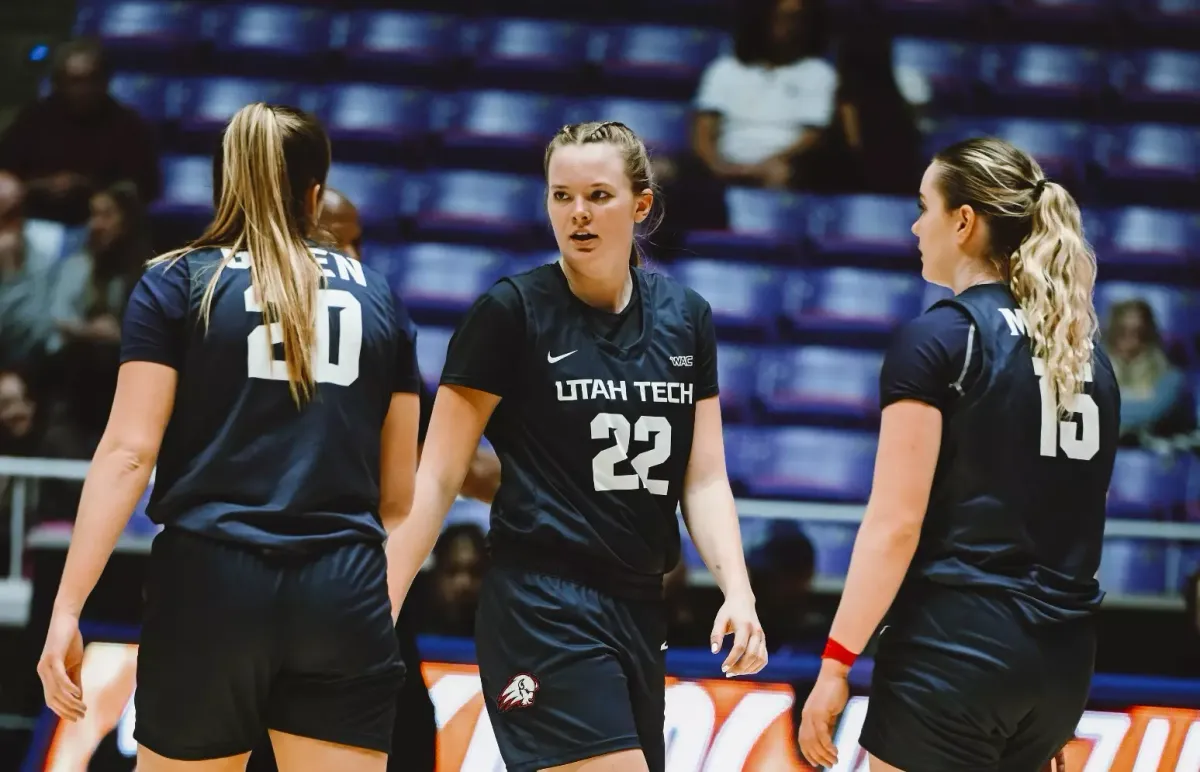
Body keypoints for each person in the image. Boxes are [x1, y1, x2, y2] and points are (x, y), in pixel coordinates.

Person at [35, 102, 422, 772]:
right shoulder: (381, 297)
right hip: (342, 588)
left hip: (210, 580)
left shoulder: (175, 282)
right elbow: (397, 493)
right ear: (314, 193)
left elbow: (129, 452)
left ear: (225, 184)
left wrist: (68, 606)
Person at [385, 120, 766, 772]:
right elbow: (439, 475)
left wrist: (738, 589)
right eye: (562, 196)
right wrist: (378, 608)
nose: (578, 213)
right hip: (542, 603)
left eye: (598, 195)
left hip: (640, 608)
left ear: (640, 205)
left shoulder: (686, 317)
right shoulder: (509, 312)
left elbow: (702, 479)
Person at [797, 137, 1119, 772]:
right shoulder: (1088, 356)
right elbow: (1080, 522)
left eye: (925, 207)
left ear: (964, 222)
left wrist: (837, 661)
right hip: (1060, 666)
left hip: (956, 653)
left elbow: (895, 525)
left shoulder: (941, 338)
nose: (916, 226)